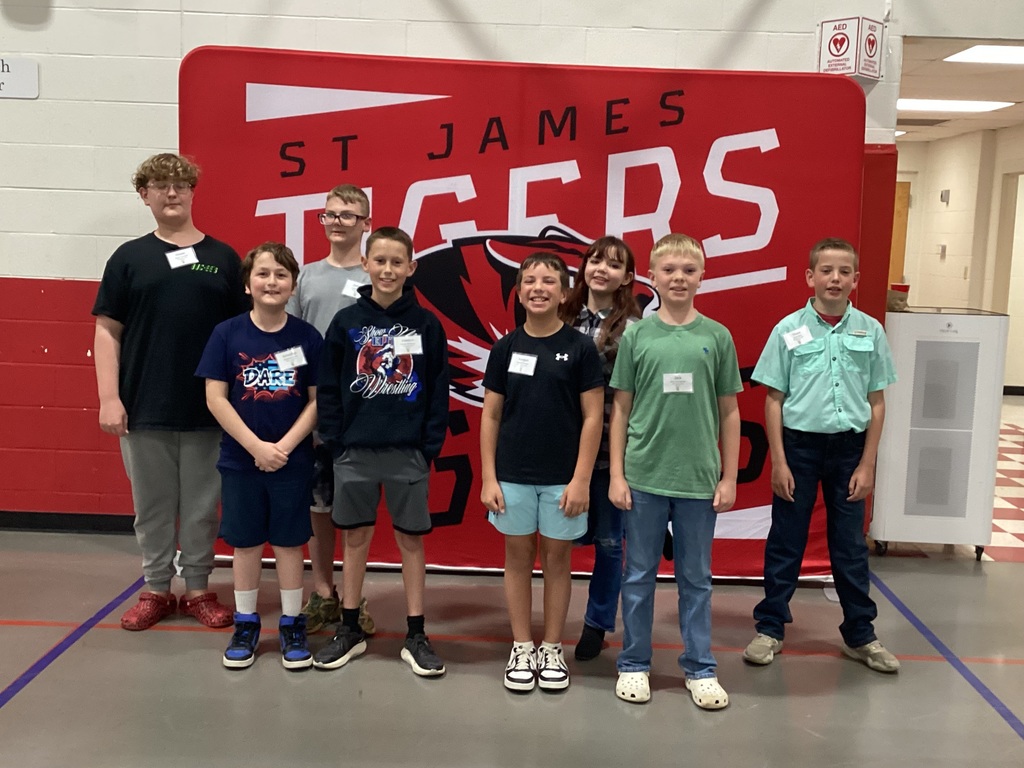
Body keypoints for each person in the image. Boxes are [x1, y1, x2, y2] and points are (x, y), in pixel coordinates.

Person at [92, 153, 246, 631]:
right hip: (143, 405)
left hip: (209, 408)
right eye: (160, 185)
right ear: (145, 195)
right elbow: (106, 331)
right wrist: (109, 398)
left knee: (202, 507)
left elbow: (243, 335)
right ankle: (156, 588)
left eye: (180, 184)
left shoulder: (223, 259)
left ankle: (198, 589)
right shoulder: (128, 258)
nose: (171, 193)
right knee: (152, 506)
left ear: (193, 191)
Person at [743, 237, 900, 673]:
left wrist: (868, 462)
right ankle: (770, 627)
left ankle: (860, 635)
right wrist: (779, 460)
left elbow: (877, 402)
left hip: (850, 450)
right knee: (786, 541)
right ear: (810, 277)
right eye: (826, 271)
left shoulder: (870, 331)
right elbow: (773, 399)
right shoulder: (787, 330)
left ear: (856, 280)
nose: (835, 279)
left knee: (850, 545)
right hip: (799, 448)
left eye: (843, 272)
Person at [609, 233, 741, 709]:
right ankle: (634, 663)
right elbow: (620, 410)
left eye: (689, 270)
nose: (679, 278)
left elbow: (729, 412)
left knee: (696, 579)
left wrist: (728, 477)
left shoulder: (717, 336)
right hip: (644, 476)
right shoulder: (637, 336)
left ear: (702, 277)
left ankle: (701, 668)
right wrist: (617, 475)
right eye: (670, 270)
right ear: (652, 276)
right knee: (639, 575)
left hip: (697, 480)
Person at [313, 226, 450, 677]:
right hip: (353, 452)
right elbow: (328, 388)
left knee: (411, 541)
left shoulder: (427, 324)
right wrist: (336, 439)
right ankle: (349, 627)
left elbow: (436, 392)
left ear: (411, 268)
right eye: (380, 261)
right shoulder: (346, 323)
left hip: (408, 452)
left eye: (397, 262)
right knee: (355, 539)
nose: (388, 269)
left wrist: (427, 446)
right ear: (366, 265)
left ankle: (415, 633)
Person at [481, 253, 604, 693]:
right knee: (517, 560)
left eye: (549, 281)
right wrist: (489, 478)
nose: (538, 287)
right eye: (530, 280)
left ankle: (551, 647)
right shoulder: (506, 347)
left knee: (557, 561)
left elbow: (593, 418)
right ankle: (522, 645)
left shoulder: (581, 348)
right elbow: (491, 417)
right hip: (512, 476)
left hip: (562, 479)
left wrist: (581, 479)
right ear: (518, 290)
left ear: (565, 291)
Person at [196, 242, 322, 669]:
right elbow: (216, 398)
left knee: (290, 543)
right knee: (246, 544)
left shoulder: (306, 337)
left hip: (291, 462)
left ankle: (291, 624)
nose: (272, 282)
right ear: (248, 284)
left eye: (281, 275)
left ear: (293, 285)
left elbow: (317, 400)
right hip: (240, 461)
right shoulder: (227, 333)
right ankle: (246, 623)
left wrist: (283, 448)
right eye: (263, 274)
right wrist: (255, 448)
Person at [286, 184, 375, 637]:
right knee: (319, 504)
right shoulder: (305, 278)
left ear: (366, 223)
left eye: (347, 213)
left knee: (356, 507)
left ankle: (354, 599)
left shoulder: (378, 275)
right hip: (316, 412)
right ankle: (323, 591)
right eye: (329, 214)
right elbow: (292, 341)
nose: (337, 220)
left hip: (364, 413)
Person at [558, 237, 641, 661]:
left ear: (627, 277)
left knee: (610, 543)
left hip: (612, 452)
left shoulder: (635, 328)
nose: (601, 269)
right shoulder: (560, 316)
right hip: (562, 451)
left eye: (613, 264)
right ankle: (552, 624)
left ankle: (596, 623)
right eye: (594, 260)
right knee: (558, 541)